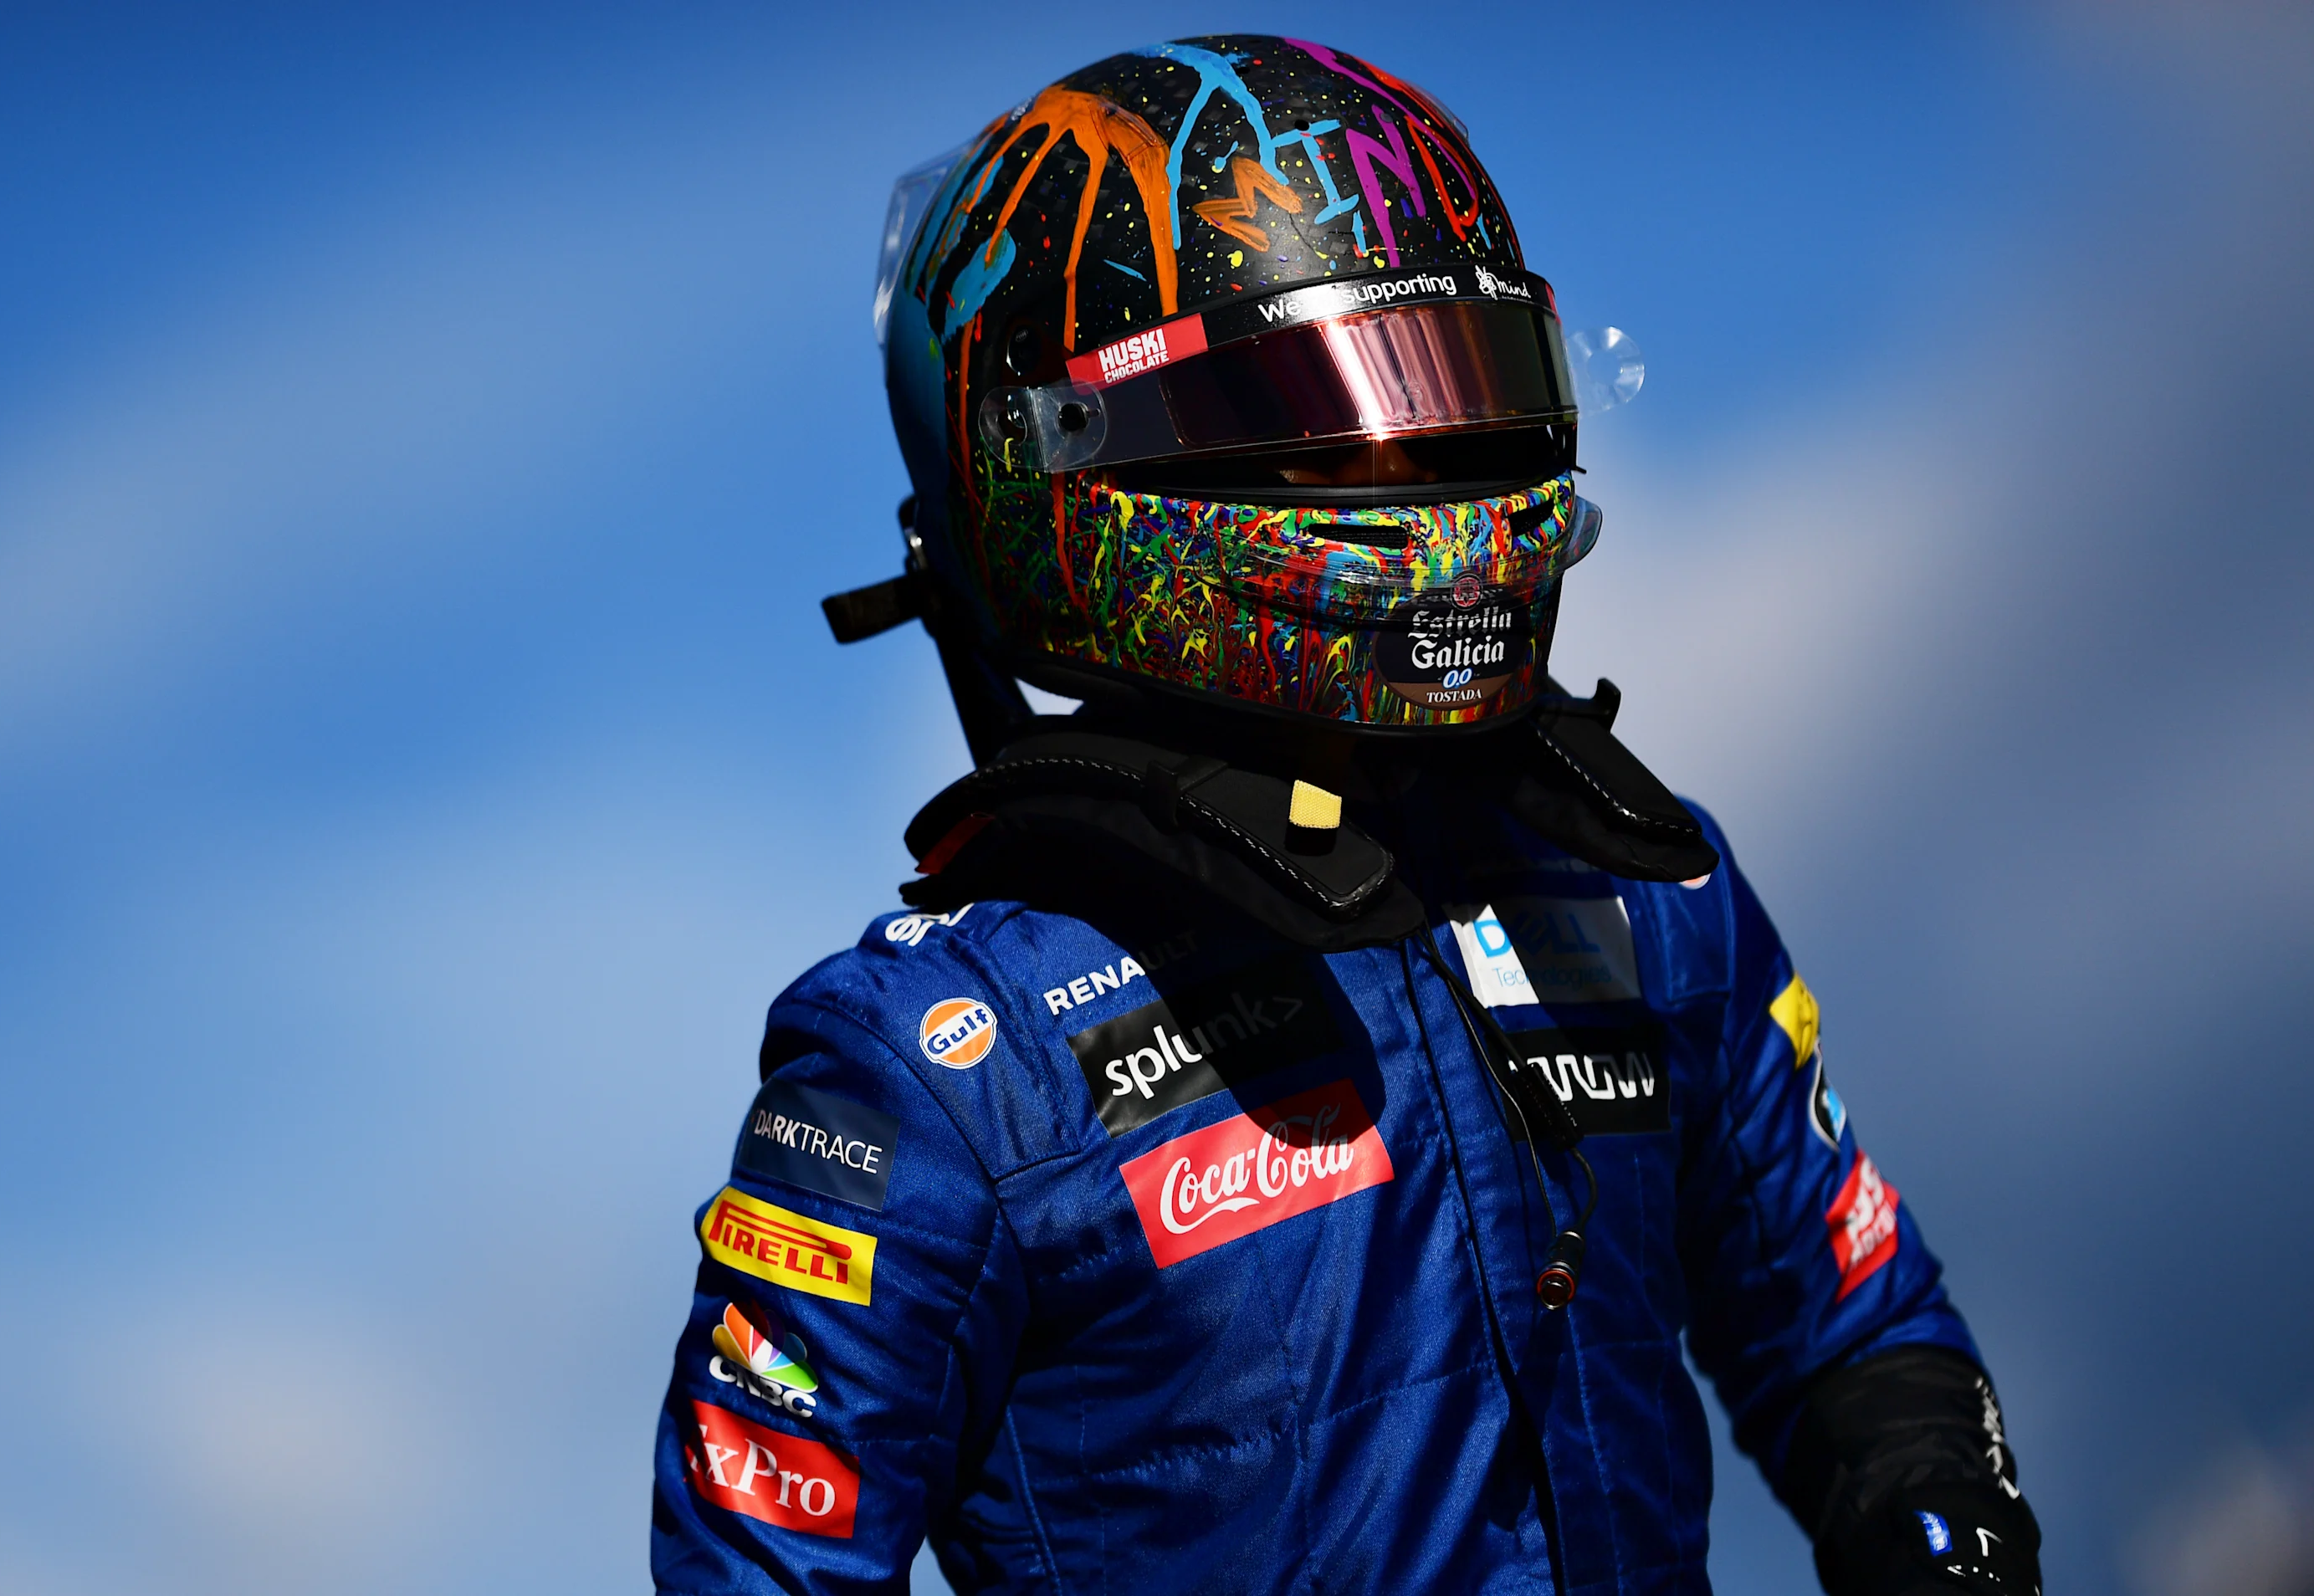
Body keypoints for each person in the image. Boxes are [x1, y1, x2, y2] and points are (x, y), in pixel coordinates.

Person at [650, 36, 2040, 1596]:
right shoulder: (947, 1062)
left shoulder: (1642, 887)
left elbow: (1863, 1337)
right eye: (1324, 428)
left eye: (1456, 399)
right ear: (1059, 467)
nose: (1416, 471)